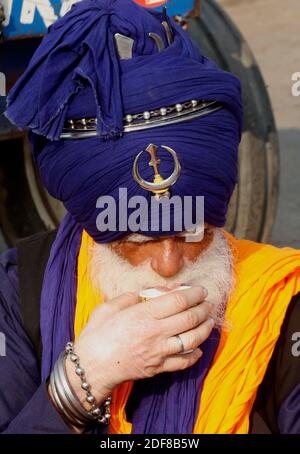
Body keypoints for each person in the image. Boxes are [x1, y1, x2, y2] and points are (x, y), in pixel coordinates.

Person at [0, 0, 299, 434]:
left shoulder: (279, 304)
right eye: (139, 240)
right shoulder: (18, 293)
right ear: (91, 222)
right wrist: (85, 379)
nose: (169, 265)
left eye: (193, 230)